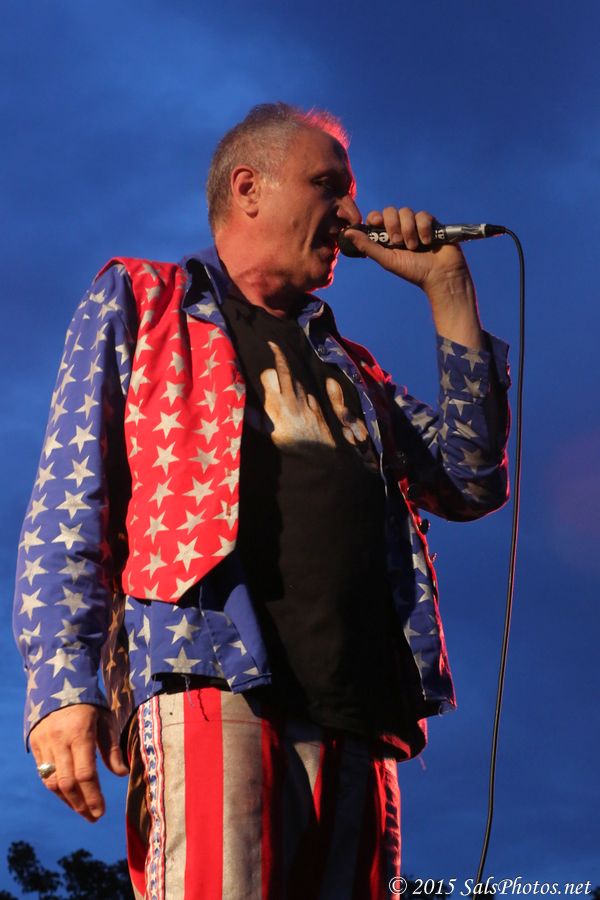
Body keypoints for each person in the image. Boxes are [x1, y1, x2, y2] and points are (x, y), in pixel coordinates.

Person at [14, 102, 510, 899]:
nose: (350, 212)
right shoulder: (146, 301)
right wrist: (61, 687)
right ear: (249, 188)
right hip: (211, 679)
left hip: (364, 707)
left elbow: (472, 478)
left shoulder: (354, 368)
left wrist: (448, 290)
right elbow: (70, 500)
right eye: (329, 186)